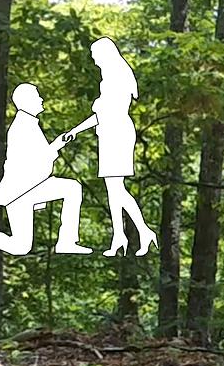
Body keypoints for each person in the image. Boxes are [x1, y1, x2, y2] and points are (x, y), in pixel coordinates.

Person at [0, 83, 91, 256]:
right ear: (27, 102)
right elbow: (38, 159)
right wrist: (57, 146)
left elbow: (40, 156)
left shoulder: (28, 124)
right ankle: (66, 241)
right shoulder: (23, 126)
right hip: (21, 191)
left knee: (21, 246)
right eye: (37, 96)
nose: (41, 100)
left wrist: (60, 142)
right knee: (72, 189)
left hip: (27, 189)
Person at [65, 37, 157, 257]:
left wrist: (77, 130)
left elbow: (104, 113)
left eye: (96, 56)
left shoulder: (115, 79)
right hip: (109, 132)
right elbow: (100, 116)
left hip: (117, 133)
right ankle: (125, 234)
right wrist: (76, 131)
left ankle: (132, 233)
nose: (95, 61)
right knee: (114, 189)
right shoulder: (110, 78)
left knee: (115, 188)